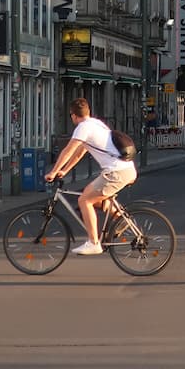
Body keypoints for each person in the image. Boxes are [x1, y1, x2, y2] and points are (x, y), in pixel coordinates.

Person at [44, 98, 137, 255]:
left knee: (84, 200)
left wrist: (53, 171)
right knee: (90, 192)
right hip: (126, 169)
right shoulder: (96, 124)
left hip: (116, 172)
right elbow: (80, 152)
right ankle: (120, 220)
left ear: (73, 115)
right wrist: (65, 171)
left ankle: (94, 243)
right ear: (88, 111)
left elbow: (69, 150)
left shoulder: (83, 127)